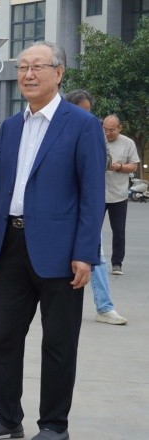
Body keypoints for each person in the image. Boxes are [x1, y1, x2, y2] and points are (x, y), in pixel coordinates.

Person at [0, 42, 105, 440]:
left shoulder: (81, 125)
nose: (28, 74)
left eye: (37, 67)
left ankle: (55, 425)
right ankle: (6, 418)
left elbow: (92, 195)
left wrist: (85, 253)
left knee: (58, 342)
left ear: (58, 73)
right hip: (10, 244)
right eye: (22, 67)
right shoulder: (12, 126)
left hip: (60, 252)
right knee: (4, 337)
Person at [64, 90, 127, 325]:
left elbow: (106, 161)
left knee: (95, 254)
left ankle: (104, 307)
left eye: (89, 112)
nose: (87, 117)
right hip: (61, 206)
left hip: (87, 205)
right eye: (82, 111)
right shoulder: (57, 130)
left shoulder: (94, 131)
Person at [102, 114, 140, 275]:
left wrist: (119, 167)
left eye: (112, 130)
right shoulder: (97, 139)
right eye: (105, 129)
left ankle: (117, 263)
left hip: (119, 194)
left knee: (118, 231)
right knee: (91, 229)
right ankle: (90, 260)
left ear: (120, 128)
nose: (108, 133)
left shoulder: (128, 143)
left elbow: (134, 166)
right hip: (97, 194)